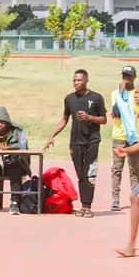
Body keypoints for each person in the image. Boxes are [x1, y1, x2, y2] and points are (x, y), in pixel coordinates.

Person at [43, 69, 107, 218]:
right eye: (74, 80)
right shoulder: (69, 99)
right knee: (81, 175)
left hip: (92, 141)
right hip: (75, 143)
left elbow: (104, 120)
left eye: (79, 80)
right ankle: (83, 207)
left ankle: (87, 206)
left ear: (86, 80)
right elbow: (64, 119)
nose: (76, 83)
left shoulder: (96, 98)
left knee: (89, 174)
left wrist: (89, 117)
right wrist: (52, 136)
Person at [110, 65, 139, 212]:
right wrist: (121, 94)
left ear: (134, 77)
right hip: (119, 135)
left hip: (134, 136)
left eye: (129, 76)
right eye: (124, 76)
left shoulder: (137, 93)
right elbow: (115, 112)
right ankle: (115, 199)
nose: (126, 79)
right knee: (117, 168)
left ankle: (136, 195)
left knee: (134, 169)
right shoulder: (115, 93)